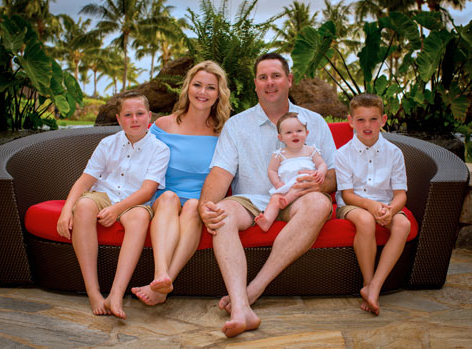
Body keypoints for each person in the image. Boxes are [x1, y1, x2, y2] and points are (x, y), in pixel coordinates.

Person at [198, 52, 337, 337]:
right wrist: (205, 206)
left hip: (297, 198)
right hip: (250, 199)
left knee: (319, 203)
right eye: (263, 77)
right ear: (256, 84)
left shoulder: (315, 122)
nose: (269, 82)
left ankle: (255, 288)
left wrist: (317, 185)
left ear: (289, 79)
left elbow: (334, 176)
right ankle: (241, 309)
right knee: (220, 213)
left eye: (275, 76)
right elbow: (221, 173)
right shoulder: (238, 125)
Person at [56, 91, 170, 319]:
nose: (134, 120)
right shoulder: (107, 144)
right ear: (119, 119)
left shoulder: (160, 149)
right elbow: (85, 180)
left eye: (139, 114)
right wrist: (66, 210)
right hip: (104, 195)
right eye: (128, 115)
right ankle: (93, 291)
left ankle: (117, 293)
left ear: (149, 117)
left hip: (135, 201)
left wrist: (117, 210)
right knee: (85, 206)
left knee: (139, 218)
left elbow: (147, 191)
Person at [131, 61, 231, 306]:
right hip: (164, 197)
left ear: (219, 94)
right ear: (187, 88)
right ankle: (160, 274)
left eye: (210, 87)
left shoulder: (224, 131)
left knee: (194, 206)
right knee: (168, 198)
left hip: (200, 201)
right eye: (197, 85)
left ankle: (163, 283)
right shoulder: (164, 125)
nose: (202, 92)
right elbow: (139, 159)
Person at [335, 93, 411, 316]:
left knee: (402, 225)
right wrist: (370, 206)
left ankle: (375, 286)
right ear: (350, 121)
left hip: (386, 203)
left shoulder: (394, 153)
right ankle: (367, 281)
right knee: (366, 220)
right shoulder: (342, 154)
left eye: (373, 119)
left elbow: (400, 195)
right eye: (360, 120)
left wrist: (391, 210)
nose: (367, 126)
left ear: (384, 120)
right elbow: (347, 195)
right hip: (354, 205)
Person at [255, 112, 328, 232]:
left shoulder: (311, 151)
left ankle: (287, 200)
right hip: (285, 187)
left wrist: (321, 171)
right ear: (281, 137)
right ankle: (266, 221)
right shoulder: (280, 154)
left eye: (299, 131)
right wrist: (277, 184)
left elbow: (322, 164)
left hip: (303, 187)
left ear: (306, 133)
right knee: (274, 199)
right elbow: (271, 170)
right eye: (289, 132)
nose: (295, 134)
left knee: (301, 181)